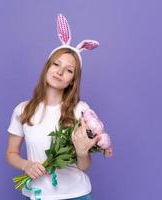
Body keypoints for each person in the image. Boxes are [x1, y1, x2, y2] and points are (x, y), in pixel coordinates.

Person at [6, 14, 100, 200]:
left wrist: (82, 152)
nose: (60, 71)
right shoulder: (23, 110)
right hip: (37, 194)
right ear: (47, 67)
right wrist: (27, 166)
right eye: (56, 64)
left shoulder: (81, 110)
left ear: (73, 80)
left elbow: (84, 165)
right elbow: (11, 153)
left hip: (76, 195)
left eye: (69, 70)